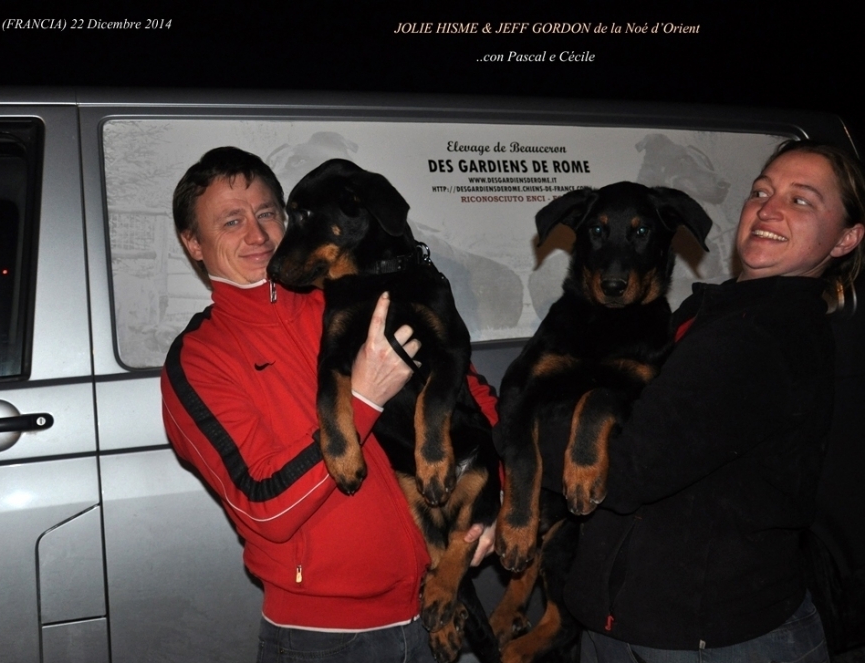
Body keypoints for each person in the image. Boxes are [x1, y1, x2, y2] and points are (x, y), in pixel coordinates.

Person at [160, 146, 498, 662]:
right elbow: (262, 505)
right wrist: (362, 397)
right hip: (329, 640)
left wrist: (502, 498)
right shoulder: (200, 360)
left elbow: (469, 390)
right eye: (231, 221)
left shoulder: (348, 293)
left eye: (268, 213)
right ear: (194, 244)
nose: (257, 235)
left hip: (436, 605)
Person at [555, 140, 865, 662]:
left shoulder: (760, 336)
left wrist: (526, 433)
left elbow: (627, 473)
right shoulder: (714, 313)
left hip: (710, 638)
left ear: (846, 238)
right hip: (638, 620)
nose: (768, 208)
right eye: (761, 192)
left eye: (802, 200)